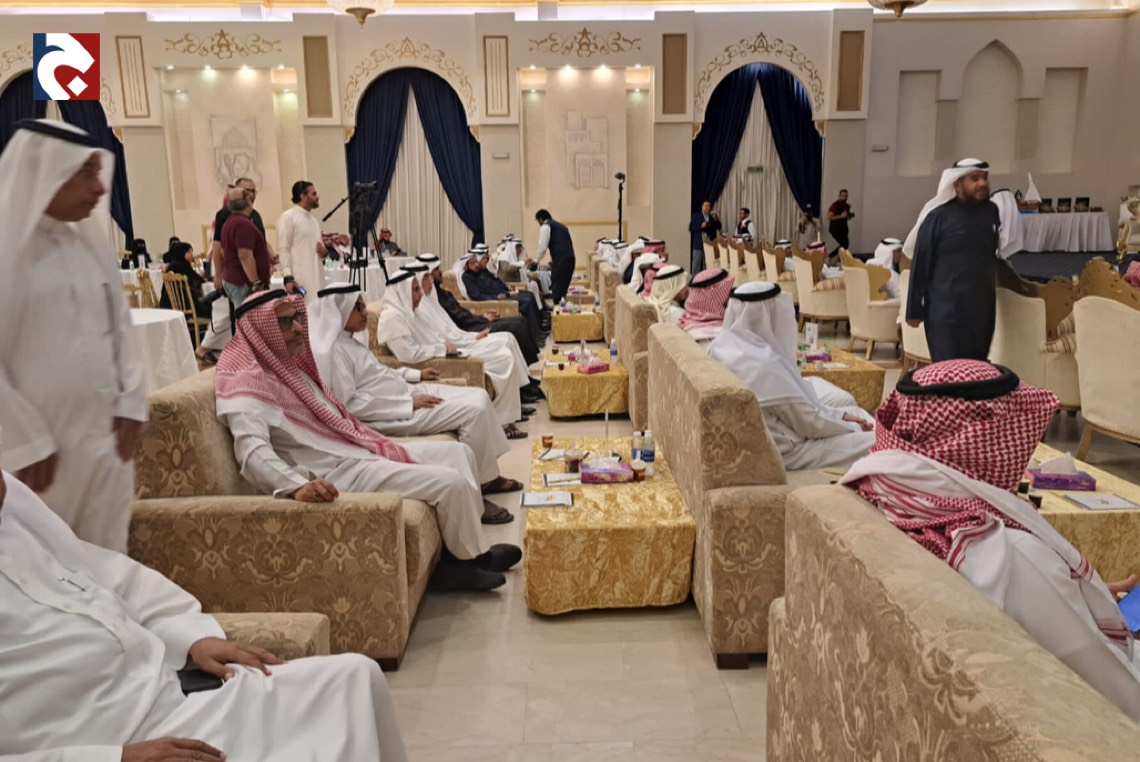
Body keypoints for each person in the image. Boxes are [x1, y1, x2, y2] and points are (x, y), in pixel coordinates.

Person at [0, 459, 410, 761]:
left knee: (355, 677)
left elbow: (114, 579)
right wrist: (115, 758)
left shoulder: (13, 507)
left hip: (166, 699)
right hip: (102, 744)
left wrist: (192, 637)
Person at [842, 360, 1140, 721]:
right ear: (984, 437)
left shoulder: (883, 490)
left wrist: (1072, 598)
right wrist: (1062, 594)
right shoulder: (1009, 554)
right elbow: (1116, 690)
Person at [216, 289, 522, 589]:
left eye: (297, 317)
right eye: (285, 322)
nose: (298, 327)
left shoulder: (290, 369)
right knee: (449, 482)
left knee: (459, 454)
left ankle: (471, 552)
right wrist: (296, 486)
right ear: (260, 331)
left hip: (352, 450)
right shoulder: (247, 386)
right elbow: (252, 453)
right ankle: (462, 566)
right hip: (335, 473)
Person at [0, 119, 146, 552]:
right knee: (43, 570)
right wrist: (26, 440)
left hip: (106, 446)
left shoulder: (88, 244)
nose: (100, 188)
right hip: (35, 459)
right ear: (45, 170)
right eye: (86, 173)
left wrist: (132, 400)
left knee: (110, 562)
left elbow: (121, 328)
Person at [310, 284, 530, 489]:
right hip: (389, 413)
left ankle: (488, 472)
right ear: (339, 311)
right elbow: (351, 406)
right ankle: (486, 483)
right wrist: (408, 403)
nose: (365, 312)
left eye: (363, 306)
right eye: (357, 308)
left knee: (479, 396)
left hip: (403, 393)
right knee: (473, 413)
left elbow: (380, 372)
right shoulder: (334, 352)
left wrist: (416, 375)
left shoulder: (351, 341)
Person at [708, 281, 875, 470]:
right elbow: (811, 425)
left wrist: (841, 415)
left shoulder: (720, 346)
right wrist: (853, 427)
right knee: (878, 442)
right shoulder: (764, 365)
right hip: (785, 453)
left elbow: (802, 413)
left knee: (857, 413)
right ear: (767, 315)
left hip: (765, 439)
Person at [377, 268, 531, 426]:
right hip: (436, 361)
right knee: (504, 357)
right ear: (402, 292)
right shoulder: (392, 318)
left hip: (447, 352)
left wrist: (450, 345)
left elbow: (437, 334)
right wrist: (442, 349)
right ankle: (502, 421)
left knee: (504, 352)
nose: (421, 293)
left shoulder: (410, 312)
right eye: (416, 290)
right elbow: (409, 355)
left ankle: (508, 414)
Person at [903, 158, 1002, 362]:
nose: (982, 183)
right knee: (949, 370)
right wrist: (914, 309)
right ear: (957, 185)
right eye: (974, 179)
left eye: (984, 178)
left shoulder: (991, 212)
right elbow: (921, 262)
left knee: (978, 369)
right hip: (946, 311)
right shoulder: (938, 217)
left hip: (982, 311)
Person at [419, 254, 541, 365]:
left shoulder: (439, 292)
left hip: (473, 322)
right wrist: (483, 318)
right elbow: (459, 317)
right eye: (436, 270)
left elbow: (460, 311)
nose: (441, 272)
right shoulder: (433, 298)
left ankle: (529, 366)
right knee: (517, 326)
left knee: (520, 321)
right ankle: (529, 366)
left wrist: (482, 316)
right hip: (468, 328)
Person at [461, 250, 545, 346]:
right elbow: (478, 296)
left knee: (529, 295)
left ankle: (537, 332)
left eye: (476, 262)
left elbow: (495, 282)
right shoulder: (467, 277)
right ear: (466, 265)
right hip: (495, 299)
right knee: (526, 301)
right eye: (472, 263)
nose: (476, 265)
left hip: (501, 294)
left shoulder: (481, 272)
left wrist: (506, 290)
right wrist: (499, 296)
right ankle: (535, 337)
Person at [210, 176, 272, 292]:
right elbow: (219, 246)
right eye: (247, 191)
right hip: (242, 280)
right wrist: (218, 275)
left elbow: (260, 241)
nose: (251, 195)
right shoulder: (231, 217)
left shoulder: (255, 215)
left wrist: (270, 259)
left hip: (255, 277)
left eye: (253, 191)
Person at [220, 191, 272, 311]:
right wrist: (255, 282)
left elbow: (223, 250)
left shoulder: (229, 222)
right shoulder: (242, 224)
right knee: (246, 317)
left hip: (234, 277)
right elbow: (244, 254)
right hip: (243, 281)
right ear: (248, 202)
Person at [276, 180, 326, 302]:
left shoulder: (314, 221)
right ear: (303, 196)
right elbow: (283, 249)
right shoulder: (288, 217)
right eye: (313, 194)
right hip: (300, 280)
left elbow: (320, 249)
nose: (317, 197)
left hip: (317, 278)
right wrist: (288, 277)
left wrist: (324, 252)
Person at [678, 268, 735, 344]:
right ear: (713, 296)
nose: (730, 297)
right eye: (728, 292)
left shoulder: (686, 320)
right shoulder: (714, 336)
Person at [530, 208, 576, 303]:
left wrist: (536, 262)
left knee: (557, 291)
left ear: (541, 219)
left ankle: (557, 310)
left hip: (561, 260)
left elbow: (542, 247)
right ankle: (561, 309)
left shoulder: (546, 226)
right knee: (563, 291)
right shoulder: (562, 227)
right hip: (570, 259)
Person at [689, 200, 721, 273]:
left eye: (709, 206)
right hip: (699, 244)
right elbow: (691, 228)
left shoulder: (712, 217)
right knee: (696, 264)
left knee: (710, 264)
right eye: (706, 206)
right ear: (702, 206)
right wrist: (701, 226)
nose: (708, 207)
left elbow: (719, 227)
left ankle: (709, 278)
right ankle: (695, 279)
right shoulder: (696, 216)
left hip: (710, 244)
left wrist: (716, 219)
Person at [827, 189, 854, 255]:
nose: (844, 197)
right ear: (839, 196)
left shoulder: (847, 206)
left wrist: (848, 217)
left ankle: (838, 258)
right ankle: (830, 256)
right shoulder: (835, 205)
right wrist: (841, 216)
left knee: (845, 245)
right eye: (843, 196)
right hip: (836, 229)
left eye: (846, 196)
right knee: (844, 244)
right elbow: (829, 217)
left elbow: (844, 217)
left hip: (844, 228)